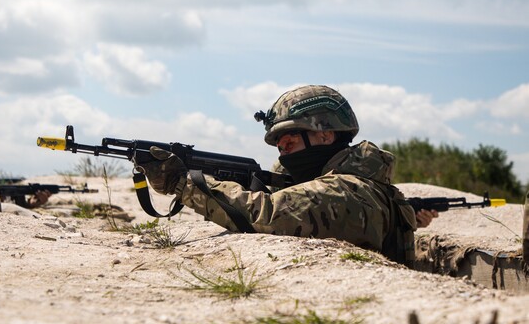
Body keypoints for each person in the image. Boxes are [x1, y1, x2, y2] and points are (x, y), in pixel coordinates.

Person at [134, 85, 437, 267]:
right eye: (278, 144)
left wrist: (182, 182)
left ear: (326, 134)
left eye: (290, 140)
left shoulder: (348, 190)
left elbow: (267, 214)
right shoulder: (356, 183)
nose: (283, 151)